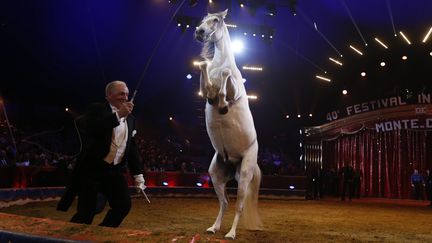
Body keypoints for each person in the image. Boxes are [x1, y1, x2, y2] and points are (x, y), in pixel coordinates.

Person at [57, 80, 146, 227]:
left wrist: (138, 175)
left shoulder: (131, 119)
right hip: (92, 170)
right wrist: (117, 116)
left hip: (115, 170)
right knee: (87, 212)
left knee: (123, 206)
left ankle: (103, 232)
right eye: (121, 94)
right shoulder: (97, 110)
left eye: (127, 94)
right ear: (109, 96)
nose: (125, 97)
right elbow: (93, 128)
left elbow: (131, 148)